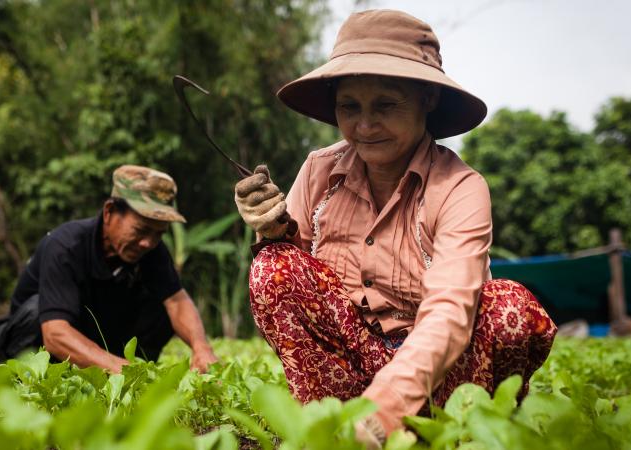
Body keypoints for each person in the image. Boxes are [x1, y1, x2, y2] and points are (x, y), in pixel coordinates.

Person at [233, 9, 556, 447]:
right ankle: (330, 427)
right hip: (348, 368)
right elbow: (295, 275)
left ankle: (452, 429)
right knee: (274, 267)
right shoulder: (318, 171)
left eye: (385, 105)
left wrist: (384, 408)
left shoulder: (460, 188)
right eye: (350, 107)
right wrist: (271, 230)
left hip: (443, 373)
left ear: (427, 99)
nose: (364, 126)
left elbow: (450, 312)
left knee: (509, 308)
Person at [0, 165, 218, 373]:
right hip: (24, 346)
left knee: (164, 306)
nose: (148, 242)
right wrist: (121, 369)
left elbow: (178, 301)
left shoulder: (151, 250)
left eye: (159, 233)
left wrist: (201, 348)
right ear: (109, 212)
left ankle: (128, 377)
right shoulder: (66, 245)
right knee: (37, 311)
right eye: (141, 230)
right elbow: (54, 334)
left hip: (91, 340)